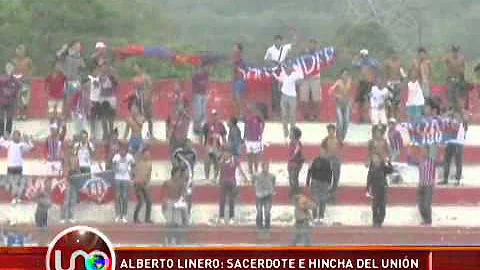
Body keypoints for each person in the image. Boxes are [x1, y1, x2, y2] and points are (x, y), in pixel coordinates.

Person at [272, 64, 304, 141]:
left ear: (291, 68)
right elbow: (279, 79)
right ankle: (285, 133)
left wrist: (298, 81)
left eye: (289, 68)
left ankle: (292, 133)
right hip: (284, 96)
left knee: (292, 115)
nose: (288, 69)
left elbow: (301, 77)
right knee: (284, 115)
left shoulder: (295, 74)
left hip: (292, 97)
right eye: (287, 68)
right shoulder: (283, 73)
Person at [217, 147, 249, 224]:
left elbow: (240, 169)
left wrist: (245, 178)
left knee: (231, 201)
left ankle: (231, 217)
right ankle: (221, 217)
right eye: (224, 153)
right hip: (223, 183)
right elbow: (219, 171)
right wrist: (218, 180)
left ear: (230, 153)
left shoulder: (234, 160)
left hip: (232, 183)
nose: (225, 154)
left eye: (227, 153)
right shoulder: (221, 161)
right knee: (222, 201)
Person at [0, 131, 33, 204]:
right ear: (12, 136)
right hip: (11, 166)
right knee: (12, 183)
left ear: (19, 137)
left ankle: (18, 198)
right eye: (14, 135)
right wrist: (4, 137)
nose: (16, 137)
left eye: (17, 136)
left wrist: (28, 140)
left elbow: (31, 148)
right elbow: (0, 143)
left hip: (19, 167)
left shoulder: (22, 144)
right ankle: (13, 198)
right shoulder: (9, 143)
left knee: (18, 183)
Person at [264, 34, 295, 113]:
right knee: (275, 91)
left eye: (279, 40)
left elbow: (294, 44)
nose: (278, 42)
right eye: (276, 40)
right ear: (274, 41)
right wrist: (274, 62)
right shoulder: (270, 49)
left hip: (283, 72)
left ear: (281, 41)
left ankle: (284, 109)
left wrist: (293, 35)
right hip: (274, 72)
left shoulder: (285, 48)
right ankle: (276, 109)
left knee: (283, 90)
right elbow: (266, 60)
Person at [409, 146, 436, 226]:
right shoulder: (420, 161)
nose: (423, 152)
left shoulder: (432, 161)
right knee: (420, 204)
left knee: (426, 204)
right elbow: (410, 162)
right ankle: (425, 219)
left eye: (425, 151)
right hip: (421, 185)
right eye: (422, 151)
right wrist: (409, 153)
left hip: (429, 185)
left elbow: (442, 163)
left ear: (428, 152)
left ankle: (428, 220)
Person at [172, 139, 197, 223]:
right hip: (179, 178)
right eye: (188, 144)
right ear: (184, 145)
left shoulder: (193, 153)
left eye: (191, 144)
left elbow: (193, 165)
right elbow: (174, 163)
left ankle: (187, 216)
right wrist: (179, 167)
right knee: (178, 197)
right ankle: (176, 218)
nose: (190, 146)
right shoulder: (178, 152)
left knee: (188, 198)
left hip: (189, 179)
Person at [366, 153, 393, 227]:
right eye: (374, 158)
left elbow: (391, 170)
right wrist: (368, 189)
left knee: (382, 206)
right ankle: (375, 221)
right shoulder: (371, 168)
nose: (375, 160)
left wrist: (388, 162)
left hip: (383, 188)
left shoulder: (383, 167)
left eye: (377, 158)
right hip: (374, 189)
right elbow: (369, 179)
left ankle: (380, 221)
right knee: (374, 206)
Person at [441, 111, 467, 186]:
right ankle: (445, 179)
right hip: (451, 142)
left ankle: (457, 180)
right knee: (447, 161)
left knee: (458, 162)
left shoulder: (462, 122)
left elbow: (456, 127)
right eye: (455, 114)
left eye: (458, 114)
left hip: (458, 143)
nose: (456, 115)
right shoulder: (450, 120)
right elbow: (443, 119)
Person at [162, 167, 187, 245]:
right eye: (178, 173)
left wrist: (180, 201)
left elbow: (183, 194)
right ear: (174, 173)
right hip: (169, 201)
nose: (179, 174)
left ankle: (178, 240)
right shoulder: (167, 182)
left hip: (177, 202)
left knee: (177, 222)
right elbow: (163, 193)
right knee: (169, 222)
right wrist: (165, 201)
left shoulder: (181, 183)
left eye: (180, 173)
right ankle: (168, 240)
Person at [352, 49, 378, 122]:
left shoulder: (364, 62)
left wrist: (355, 58)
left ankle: (365, 118)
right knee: (363, 101)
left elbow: (354, 64)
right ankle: (363, 118)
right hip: (366, 82)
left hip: (366, 83)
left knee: (366, 101)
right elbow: (354, 65)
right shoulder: (370, 61)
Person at [306, 152, 332, 224]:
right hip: (324, 183)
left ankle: (315, 217)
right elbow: (330, 173)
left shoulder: (315, 161)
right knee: (323, 200)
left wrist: (307, 181)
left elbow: (310, 171)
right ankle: (321, 217)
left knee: (315, 200)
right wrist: (329, 183)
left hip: (315, 182)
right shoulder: (328, 162)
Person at [328, 69, 353, 142]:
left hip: (347, 104)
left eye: (346, 74)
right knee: (340, 121)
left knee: (347, 121)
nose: (345, 76)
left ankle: (342, 137)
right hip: (339, 105)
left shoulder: (349, 81)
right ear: (341, 75)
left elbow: (349, 92)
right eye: (343, 74)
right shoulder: (338, 82)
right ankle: (338, 137)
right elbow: (330, 91)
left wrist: (351, 100)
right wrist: (336, 95)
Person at [300, 39, 322, 121]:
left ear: (316, 45)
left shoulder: (319, 54)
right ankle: (306, 116)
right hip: (305, 78)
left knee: (317, 99)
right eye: (310, 44)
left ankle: (316, 116)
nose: (312, 46)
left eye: (314, 44)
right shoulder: (304, 53)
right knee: (304, 99)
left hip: (315, 78)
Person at [113, 144, 135, 223]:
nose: (123, 152)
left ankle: (124, 215)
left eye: (124, 151)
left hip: (126, 178)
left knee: (125, 197)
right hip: (118, 178)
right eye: (121, 150)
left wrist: (131, 175)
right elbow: (113, 166)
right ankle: (118, 215)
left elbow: (133, 165)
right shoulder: (116, 156)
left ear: (126, 151)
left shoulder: (130, 157)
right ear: (119, 150)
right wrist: (115, 169)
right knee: (117, 196)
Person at [202, 109, 227, 182]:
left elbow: (224, 136)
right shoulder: (207, 124)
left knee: (217, 162)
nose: (215, 117)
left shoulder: (221, 125)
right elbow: (203, 134)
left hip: (217, 147)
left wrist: (224, 147)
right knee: (207, 162)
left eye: (216, 115)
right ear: (211, 116)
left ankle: (215, 178)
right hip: (208, 146)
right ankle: (207, 178)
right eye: (213, 115)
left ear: (218, 116)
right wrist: (204, 146)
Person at [132, 62, 154, 138]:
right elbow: (134, 89)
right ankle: (138, 134)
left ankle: (151, 134)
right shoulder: (135, 78)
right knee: (139, 117)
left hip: (147, 99)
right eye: (134, 68)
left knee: (150, 117)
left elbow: (151, 87)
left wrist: (148, 97)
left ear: (140, 68)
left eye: (136, 67)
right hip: (139, 99)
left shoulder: (146, 77)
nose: (135, 69)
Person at [320, 124, 341, 203]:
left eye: (332, 131)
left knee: (336, 179)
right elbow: (322, 152)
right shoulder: (325, 140)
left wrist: (338, 159)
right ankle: (326, 195)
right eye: (329, 131)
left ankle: (333, 196)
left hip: (336, 162)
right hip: (327, 161)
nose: (331, 132)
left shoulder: (338, 140)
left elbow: (340, 151)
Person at [252, 160, 276, 229]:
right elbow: (252, 180)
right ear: (262, 167)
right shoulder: (257, 175)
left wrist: (271, 190)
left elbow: (273, 183)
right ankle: (259, 224)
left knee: (267, 211)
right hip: (259, 196)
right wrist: (255, 187)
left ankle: (267, 224)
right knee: (259, 211)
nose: (266, 168)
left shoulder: (272, 176)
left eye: (267, 167)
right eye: (265, 167)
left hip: (268, 196)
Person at [12, 45, 33, 120]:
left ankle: (24, 114)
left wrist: (29, 78)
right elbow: (12, 70)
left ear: (24, 52)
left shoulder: (28, 60)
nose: (19, 52)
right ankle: (18, 114)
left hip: (25, 81)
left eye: (21, 51)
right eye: (18, 51)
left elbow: (31, 69)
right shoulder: (14, 61)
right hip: (16, 81)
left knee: (24, 99)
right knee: (17, 99)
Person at [384, 50, 406, 119]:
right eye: (393, 54)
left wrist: (402, 83)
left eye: (396, 54)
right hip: (390, 83)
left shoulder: (399, 63)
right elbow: (385, 73)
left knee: (397, 102)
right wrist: (385, 83)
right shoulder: (387, 63)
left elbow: (403, 74)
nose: (394, 55)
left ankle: (396, 117)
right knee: (389, 102)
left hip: (397, 83)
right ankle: (389, 117)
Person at [61, 145, 80, 223]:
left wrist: (77, 175)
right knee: (66, 199)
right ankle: (63, 217)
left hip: (74, 180)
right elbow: (65, 169)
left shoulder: (76, 158)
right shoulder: (66, 158)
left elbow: (78, 169)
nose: (73, 150)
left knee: (73, 199)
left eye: (74, 149)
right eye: (72, 149)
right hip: (68, 179)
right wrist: (67, 176)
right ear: (70, 149)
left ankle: (71, 217)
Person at [443, 45, 466, 111]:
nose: (455, 53)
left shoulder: (461, 58)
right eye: (454, 51)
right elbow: (442, 60)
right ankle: (451, 110)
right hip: (450, 79)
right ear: (452, 52)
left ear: (458, 52)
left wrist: (462, 77)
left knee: (458, 95)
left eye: (456, 51)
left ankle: (458, 110)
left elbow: (463, 68)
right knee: (450, 95)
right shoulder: (448, 57)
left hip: (458, 79)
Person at [133, 147, 153, 223]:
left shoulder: (150, 164)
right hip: (138, 184)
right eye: (146, 154)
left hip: (145, 184)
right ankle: (135, 218)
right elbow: (134, 173)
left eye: (149, 154)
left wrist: (148, 184)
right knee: (140, 201)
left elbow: (149, 175)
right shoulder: (138, 162)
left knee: (149, 201)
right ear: (143, 154)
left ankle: (147, 218)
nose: (147, 155)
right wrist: (135, 181)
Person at [244, 105, 265, 176]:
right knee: (249, 156)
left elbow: (263, 123)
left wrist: (261, 133)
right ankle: (250, 171)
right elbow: (245, 127)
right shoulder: (247, 117)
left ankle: (255, 171)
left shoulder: (258, 117)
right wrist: (244, 137)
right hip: (249, 140)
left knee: (256, 156)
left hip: (256, 140)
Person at [0, 69, 21, 137]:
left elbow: (19, 85)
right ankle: (2, 134)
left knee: (8, 118)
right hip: (3, 102)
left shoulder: (13, 80)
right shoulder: (2, 79)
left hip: (9, 102)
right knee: (2, 119)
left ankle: (6, 134)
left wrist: (12, 77)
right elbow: (18, 85)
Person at [192, 63, 209, 134]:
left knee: (203, 112)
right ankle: (196, 128)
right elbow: (194, 85)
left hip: (203, 94)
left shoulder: (205, 75)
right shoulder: (196, 76)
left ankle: (203, 127)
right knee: (198, 112)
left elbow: (206, 84)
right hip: (197, 95)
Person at [287, 126, 304, 198]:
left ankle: (294, 192)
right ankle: (295, 191)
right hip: (292, 163)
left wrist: (290, 159)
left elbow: (294, 154)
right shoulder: (292, 142)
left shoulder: (297, 144)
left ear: (294, 135)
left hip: (295, 164)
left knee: (293, 178)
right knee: (293, 178)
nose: (289, 133)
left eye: (291, 132)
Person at [232, 43, 247, 118]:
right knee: (236, 98)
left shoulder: (239, 57)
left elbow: (241, 68)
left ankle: (241, 114)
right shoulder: (236, 57)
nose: (234, 49)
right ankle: (239, 113)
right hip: (236, 80)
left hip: (239, 80)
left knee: (238, 98)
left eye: (235, 48)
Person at [387, 118, 403, 184]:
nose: (391, 125)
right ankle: (395, 179)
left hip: (396, 150)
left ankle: (398, 179)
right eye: (390, 123)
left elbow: (400, 141)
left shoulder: (397, 132)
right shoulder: (389, 132)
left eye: (392, 124)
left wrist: (398, 151)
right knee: (392, 165)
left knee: (394, 164)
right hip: (392, 150)